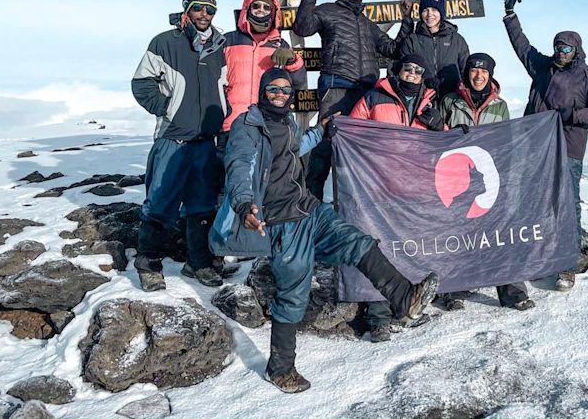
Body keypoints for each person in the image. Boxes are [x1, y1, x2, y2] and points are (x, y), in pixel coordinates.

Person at [224, 68, 439, 393]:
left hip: (309, 210)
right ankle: (280, 369)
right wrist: (243, 204)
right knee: (292, 293)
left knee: (358, 242)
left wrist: (320, 131)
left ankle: (403, 297)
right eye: (273, 89)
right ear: (262, 91)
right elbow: (240, 164)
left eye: (285, 89)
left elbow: (297, 145)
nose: (280, 94)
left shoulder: (286, 122)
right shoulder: (248, 125)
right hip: (282, 221)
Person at [501, 0, 588, 291]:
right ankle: (538, 258)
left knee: (567, 206)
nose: (560, 51)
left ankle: (567, 266)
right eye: (557, 46)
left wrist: (575, 115)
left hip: (568, 150)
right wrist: (510, 12)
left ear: (576, 49)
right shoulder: (541, 67)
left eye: (565, 48)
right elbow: (521, 46)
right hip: (535, 149)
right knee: (534, 204)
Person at [131, 0, 228, 291]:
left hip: (205, 141)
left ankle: (197, 263)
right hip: (172, 139)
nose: (204, 15)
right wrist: (167, 109)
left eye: (210, 10)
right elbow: (141, 83)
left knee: (202, 205)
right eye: (198, 9)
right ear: (187, 10)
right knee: (159, 202)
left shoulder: (220, 46)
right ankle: (148, 264)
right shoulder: (165, 42)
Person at [293, 0, 412, 201]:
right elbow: (302, 27)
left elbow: (394, 50)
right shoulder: (329, 10)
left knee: (361, 151)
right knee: (326, 144)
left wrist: (406, 20)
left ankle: (354, 206)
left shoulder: (368, 24)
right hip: (336, 86)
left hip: (366, 94)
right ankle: (311, 205)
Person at [349, 54, 444, 342]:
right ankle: (378, 318)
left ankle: (406, 306)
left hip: (415, 187)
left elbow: (446, 143)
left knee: (410, 248)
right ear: (398, 71)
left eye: (418, 70)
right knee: (380, 249)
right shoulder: (374, 98)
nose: (412, 74)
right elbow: (352, 131)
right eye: (408, 69)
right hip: (378, 184)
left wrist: (440, 126)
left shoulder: (430, 103)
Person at [441, 52, 535, 311]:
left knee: (499, 234)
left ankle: (513, 292)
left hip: (487, 177)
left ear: (490, 74)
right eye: (473, 70)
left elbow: (503, 141)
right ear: (467, 73)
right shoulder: (450, 101)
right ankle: (454, 290)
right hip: (457, 179)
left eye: (484, 71)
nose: (478, 75)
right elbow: (437, 138)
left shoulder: (499, 106)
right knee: (457, 236)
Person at [219, 0, 307, 149]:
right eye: (256, 5)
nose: (261, 10)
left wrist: (292, 60)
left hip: (268, 126)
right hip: (231, 125)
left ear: (273, 13)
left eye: (267, 7)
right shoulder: (227, 41)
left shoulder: (280, 45)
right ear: (247, 8)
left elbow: (298, 84)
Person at [399, 0, 470, 99]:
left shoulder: (457, 40)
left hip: (452, 100)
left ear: (441, 13)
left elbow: (466, 72)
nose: (429, 14)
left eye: (434, 10)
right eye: (425, 10)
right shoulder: (412, 40)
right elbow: (403, 71)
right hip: (422, 100)